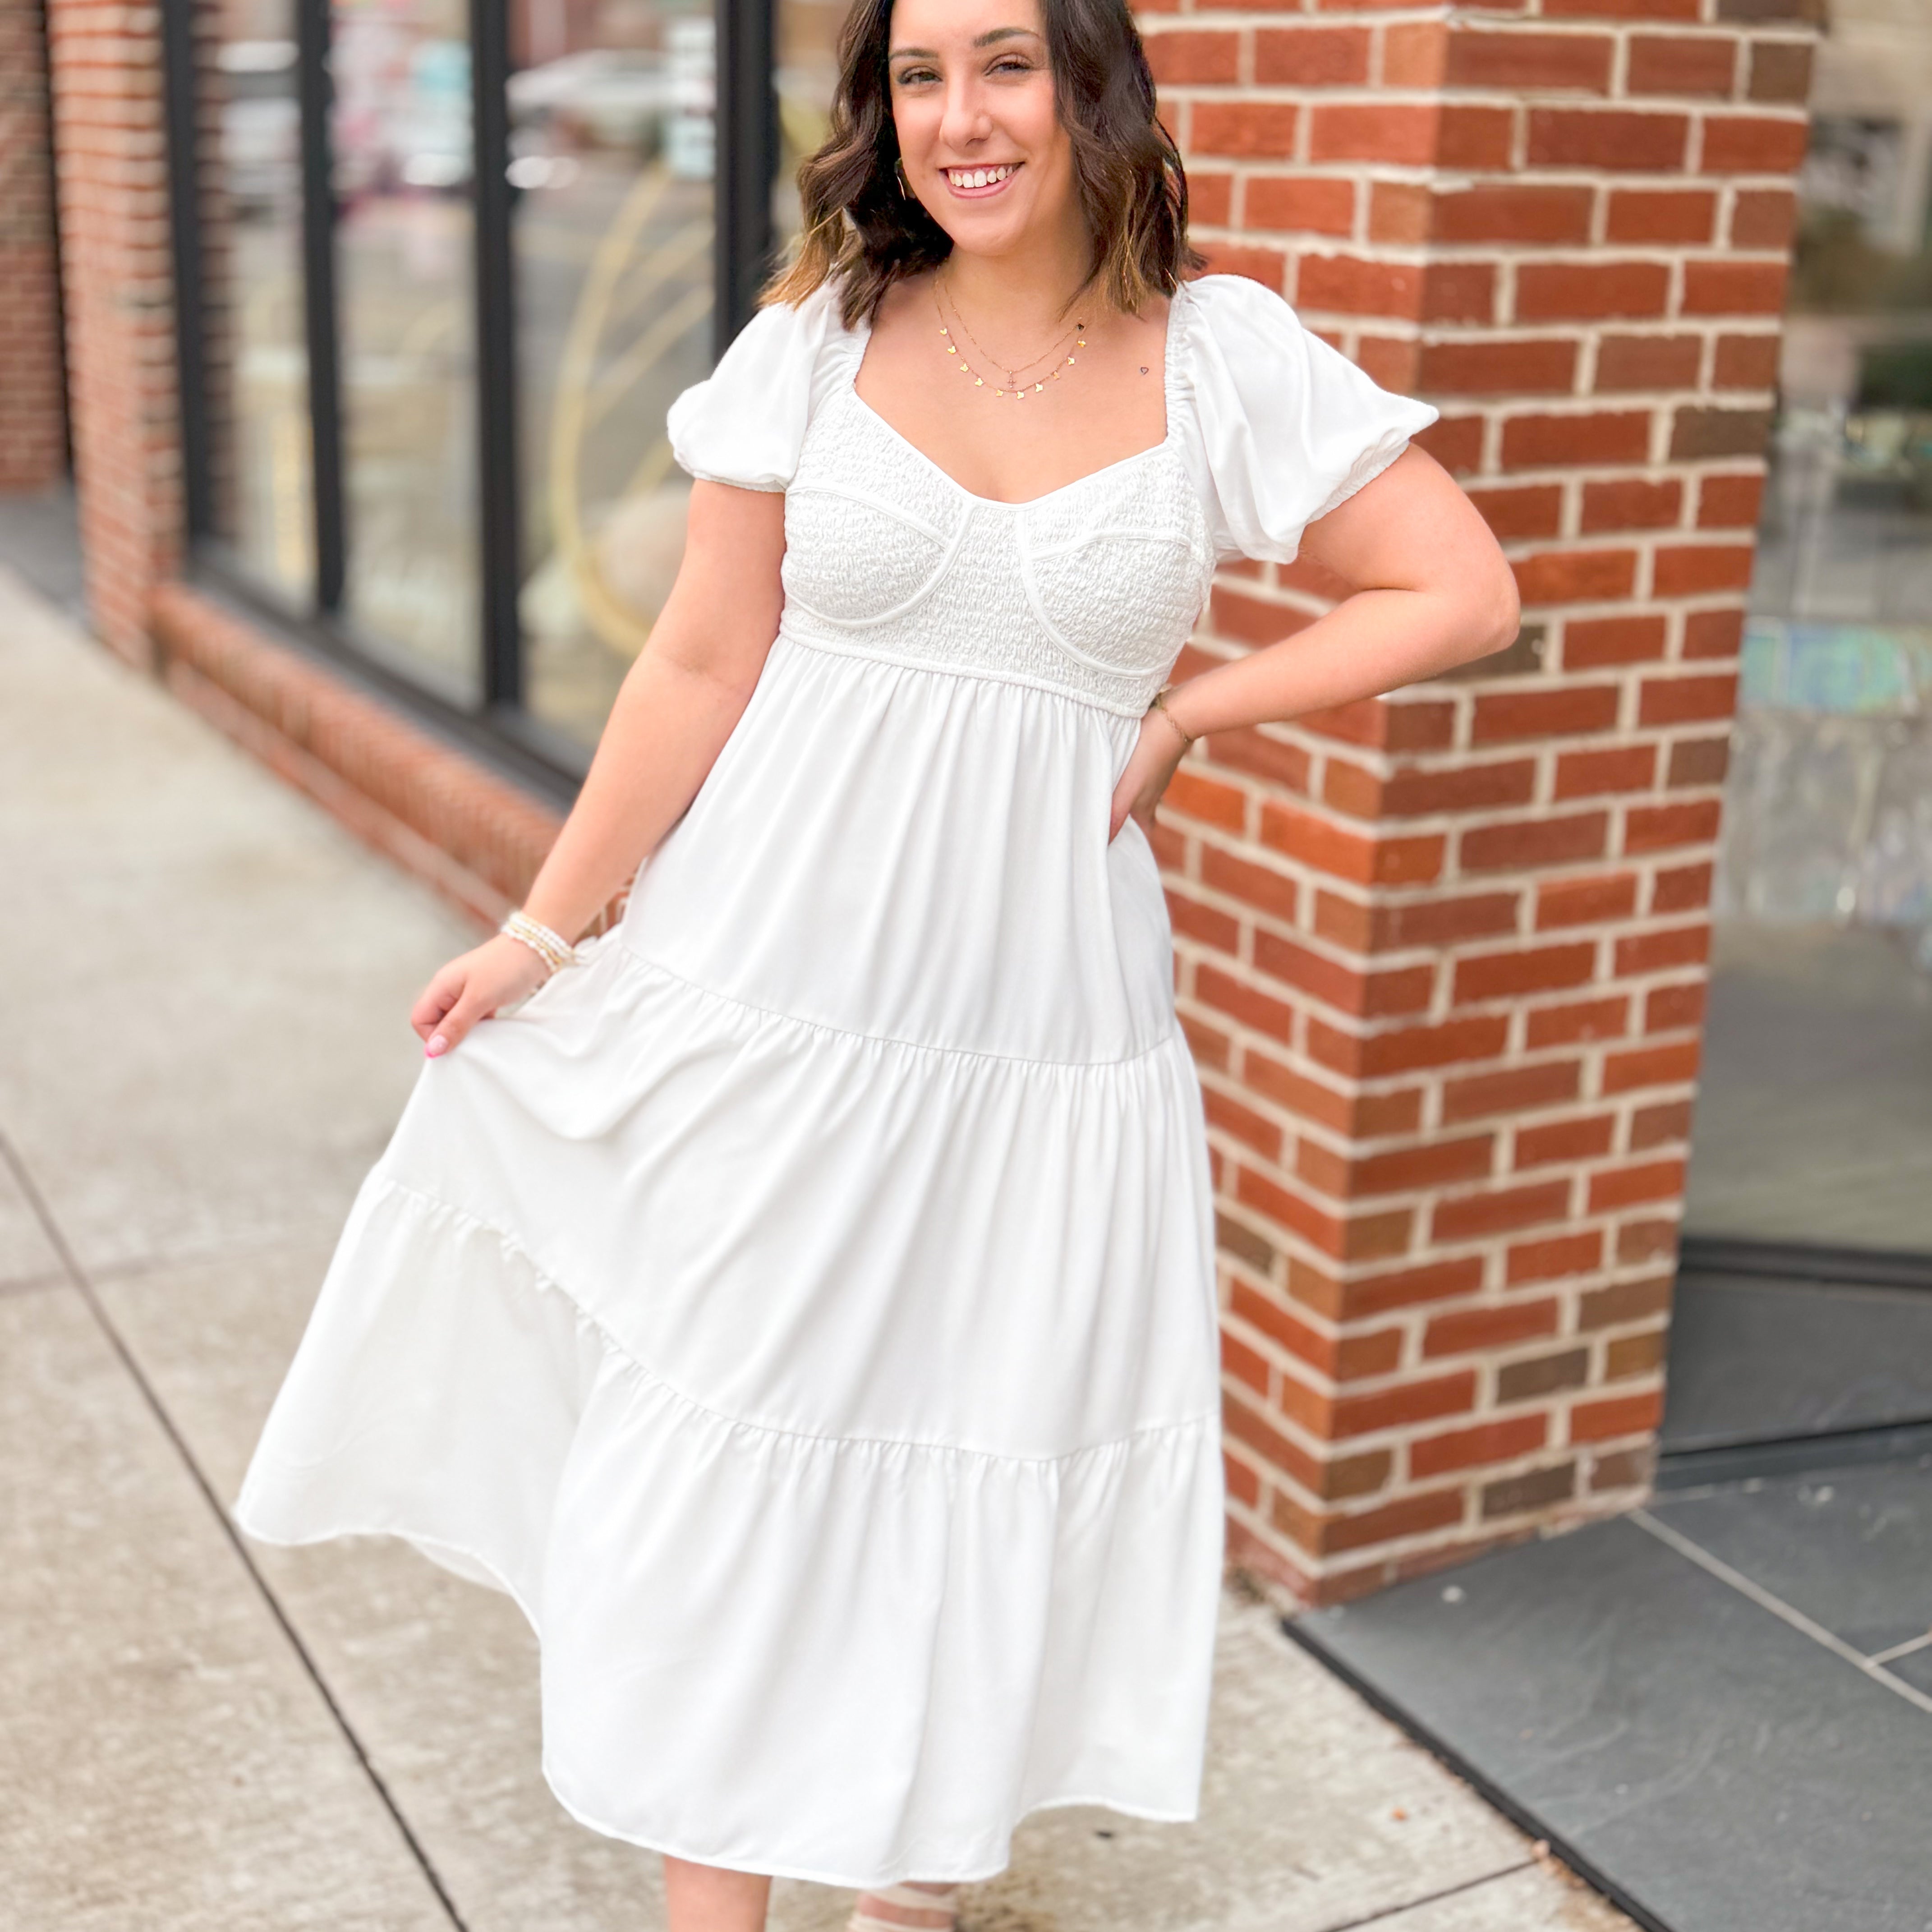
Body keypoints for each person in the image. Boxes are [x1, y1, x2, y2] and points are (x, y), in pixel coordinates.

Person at [235, 0, 1519, 1925]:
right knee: (736, 1469)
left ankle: (905, 1890)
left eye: (1003, 64)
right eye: (919, 77)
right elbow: (694, 662)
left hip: (1038, 1028)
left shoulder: (1219, 359)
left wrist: (1202, 709)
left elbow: (1463, 586)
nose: (959, 117)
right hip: (772, 990)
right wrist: (536, 928)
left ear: (1092, 90)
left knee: (966, 1446)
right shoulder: (818, 338)